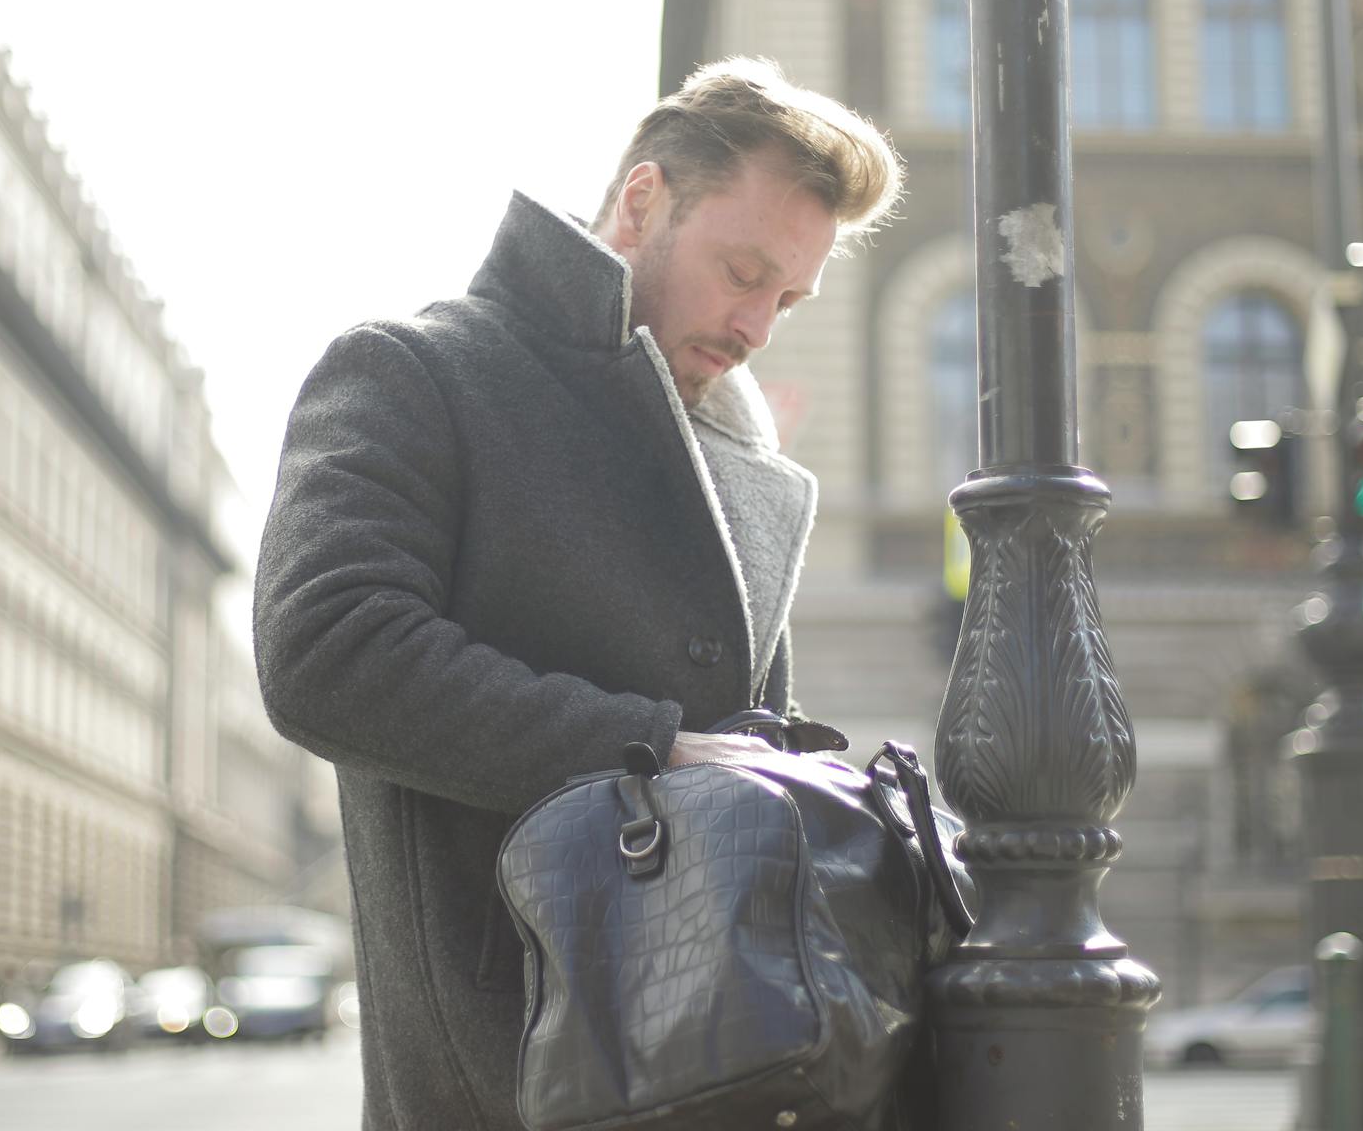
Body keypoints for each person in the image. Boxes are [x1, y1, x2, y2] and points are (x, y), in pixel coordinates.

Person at [254, 57, 903, 1130]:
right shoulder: (414, 370)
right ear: (643, 202)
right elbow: (326, 652)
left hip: (727, 1076)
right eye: (742, 271)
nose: (756, 327)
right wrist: (655, 745)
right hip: (505, 1077)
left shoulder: (737, 464)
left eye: (786, 297)